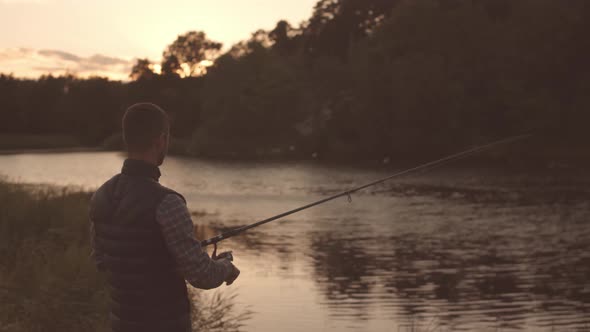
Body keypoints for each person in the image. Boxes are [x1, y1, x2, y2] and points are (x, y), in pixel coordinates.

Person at [89, 102, 240, 332]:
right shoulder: (167, 202)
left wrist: (165, 257)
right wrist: (226, 267)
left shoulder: (102, 195)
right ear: (161, 140)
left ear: (127, 138)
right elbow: (202, 276)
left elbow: (103, 260)